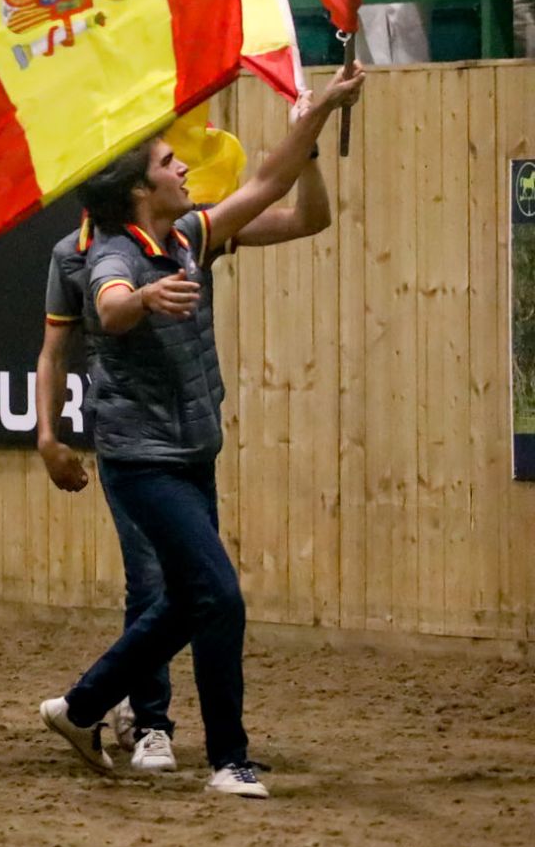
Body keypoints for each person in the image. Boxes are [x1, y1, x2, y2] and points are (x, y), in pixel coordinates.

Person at [40, 65, 367, 799]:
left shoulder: (189, 234)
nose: (184, 164)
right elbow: (113, 305)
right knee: (220, 595)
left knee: (191, 601)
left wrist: (314, 115)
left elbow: (271, 185)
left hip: (191, 452)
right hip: (142, 460)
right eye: (167, 163)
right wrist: (145, 297)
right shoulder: (114, 255)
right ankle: (229, 758)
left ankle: (84, 705)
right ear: (137, 190)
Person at [36, 213, 172, 771]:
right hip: (124, 433)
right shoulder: (71, 253)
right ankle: (150, 719)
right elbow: (54, 350)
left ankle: (101, 699)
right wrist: (48, 435)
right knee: (152, 577)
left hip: (185, 433)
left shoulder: (180, 234)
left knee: (190, 586)